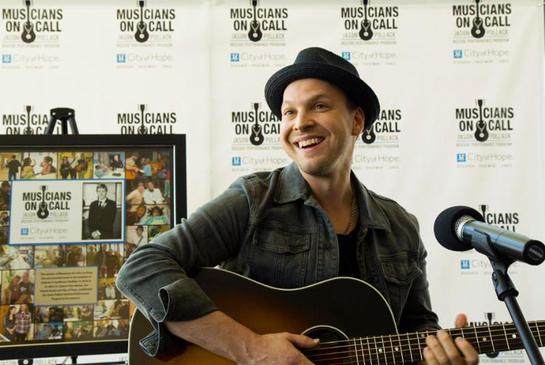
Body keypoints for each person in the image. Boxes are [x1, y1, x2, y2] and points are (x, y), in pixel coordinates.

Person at [116, 47, 478, 365]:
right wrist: (249, 348)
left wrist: (440, 358)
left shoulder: (399, 226)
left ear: (356, 120)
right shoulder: (253, 199)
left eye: (319, 106)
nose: (300, 123)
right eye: (289, 112)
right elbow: (142, 267)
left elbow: (415, 333)